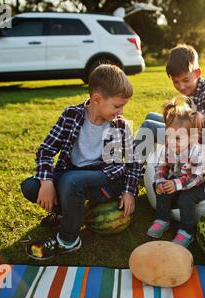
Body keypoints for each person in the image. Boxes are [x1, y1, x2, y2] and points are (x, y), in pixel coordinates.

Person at [20, 64, 140, 260]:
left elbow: (134, 161)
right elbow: (46, 149)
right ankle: (65, 215)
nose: (121, 111)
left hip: (105, 180)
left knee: (71, 181)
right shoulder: (71, 116)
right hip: (73, 174)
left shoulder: (120, 125)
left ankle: (69, 240)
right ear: (96, 99)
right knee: (30, 186)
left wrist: (129, 192)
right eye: (117, 106)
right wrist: (47, 182)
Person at [134, 44, 205, 166]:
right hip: (191, 131)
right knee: (150, 116)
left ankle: (133, 171)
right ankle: (144, 167)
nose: (181, 87)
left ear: (197, 73)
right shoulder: (193, 90)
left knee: (149, 126)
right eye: (176, 82)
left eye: (185, 80)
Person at [146, 96, 205, 247]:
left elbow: (196, 176)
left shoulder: (197, 152)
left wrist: (176, 184)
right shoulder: (168, 148)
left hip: (199, 183)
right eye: (168, 136)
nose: (172, 141)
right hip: (179, 179)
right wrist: (161, 181)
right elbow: (161, 165)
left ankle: (187, 231)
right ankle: (163, 219)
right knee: (161, 188)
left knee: (185, 199)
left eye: (178, 138)